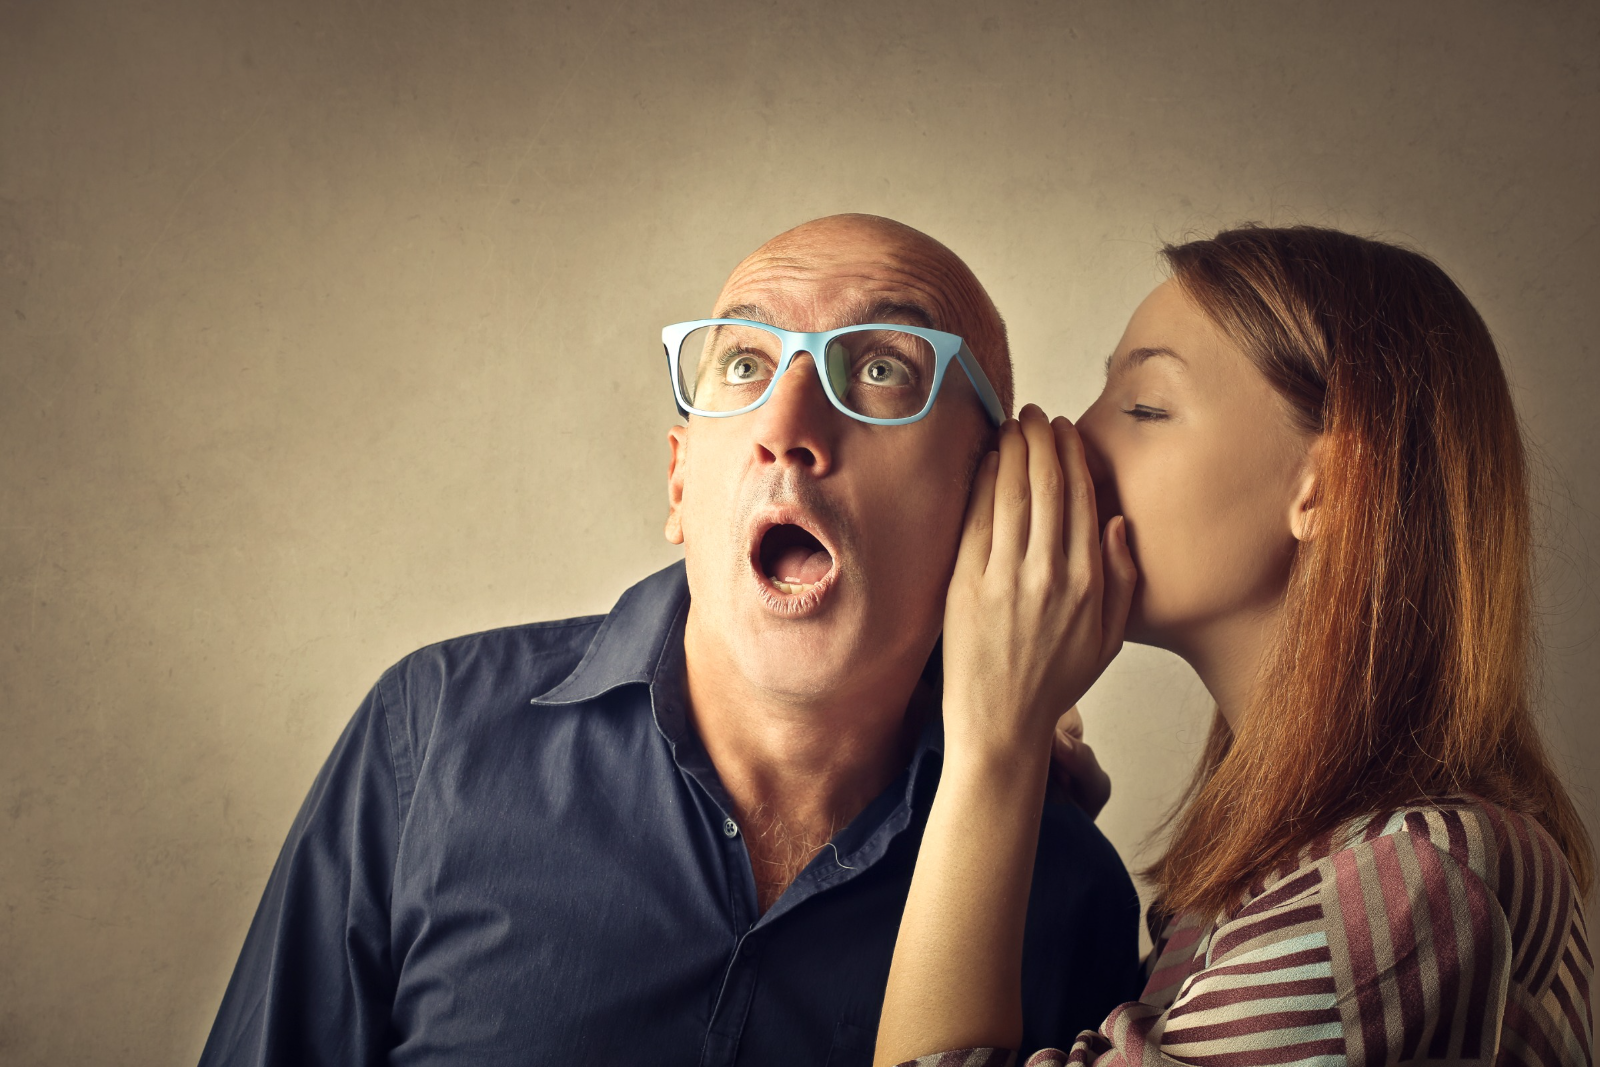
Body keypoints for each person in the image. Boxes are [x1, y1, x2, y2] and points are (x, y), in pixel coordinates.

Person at [199, 214, 1143, 1067]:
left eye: (883, 367)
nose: (785, 425)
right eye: (743, 363)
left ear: (991, 500)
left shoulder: (1062, 892)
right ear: (681, 482)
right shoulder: (430, 733)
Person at [875, 225, 1595, 1066]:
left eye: (1146, 407)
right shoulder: (1285, 868)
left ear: (1328, 489)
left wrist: (992, 748)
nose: (1073, 434)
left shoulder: (1409, 883)